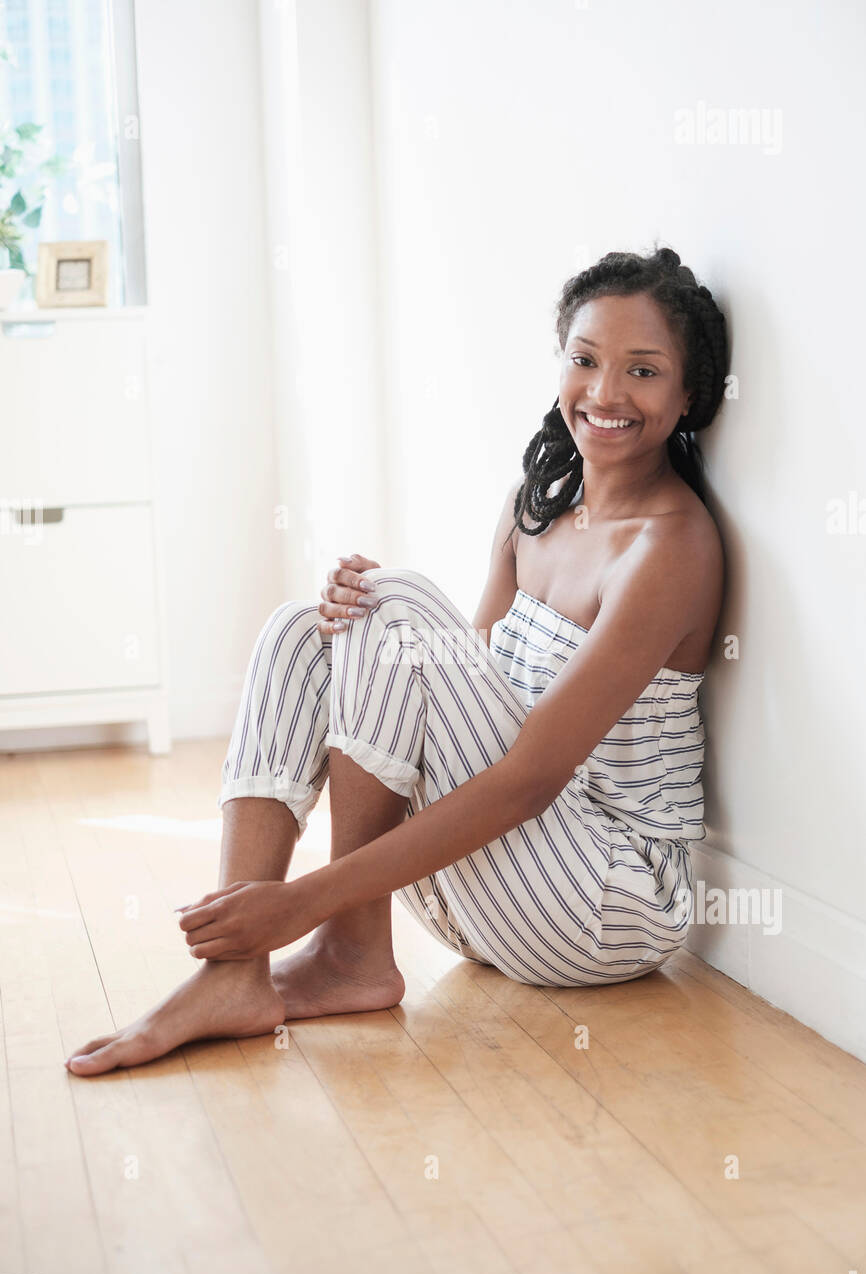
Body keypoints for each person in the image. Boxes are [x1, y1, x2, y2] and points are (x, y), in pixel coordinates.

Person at [66, 246, 727, 1077]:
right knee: (313, 624)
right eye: (586, 360)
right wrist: (360, 620)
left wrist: (298, 903)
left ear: (688, 397)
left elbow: (529, 777)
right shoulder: (538, 505)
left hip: (607, 906)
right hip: (496, 895)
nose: (604, 393)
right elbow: (466, 688)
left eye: (643, 370)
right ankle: (239, 974)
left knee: (396, 602)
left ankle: (341, 943)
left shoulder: (673, 546)